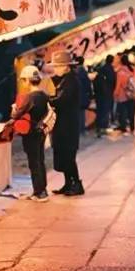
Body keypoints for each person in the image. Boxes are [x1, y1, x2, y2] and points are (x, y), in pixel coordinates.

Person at [12, 66, 50, 202]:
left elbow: (17, 114)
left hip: (30, 132)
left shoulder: (30, 97)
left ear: (27, 80)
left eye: (23, 80)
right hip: (41, 131)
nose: (22, 83)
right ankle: (43, 189)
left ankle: (39, 193)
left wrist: (14, 109)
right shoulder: (44, 95)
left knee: (34, 162)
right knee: (40, 160)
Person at [48, 51, 84, 196]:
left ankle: (76, 184)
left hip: (68, 125)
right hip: (63, 124)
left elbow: (62, 100)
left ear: (66, 66)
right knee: (63, 154)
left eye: (57, 66)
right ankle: (68, 183)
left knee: (68, 155)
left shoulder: (70, 81)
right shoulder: (65, 79)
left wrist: (47, 99)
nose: (55, 69)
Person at [114, 54, 135, 134]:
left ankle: (123, 127)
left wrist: (116, 93)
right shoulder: (134, 69)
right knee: (132, 111)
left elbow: (118, 85)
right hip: (133, 94)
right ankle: (133, 127)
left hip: (123, 95)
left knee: (123, 112)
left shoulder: (120, 72)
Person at [93, 55, 117, 135]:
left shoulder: (101, 69)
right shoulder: (111, 69)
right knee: (105, 110)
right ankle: (103, 127)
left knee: (100, 110)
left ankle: (98, 127)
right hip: (107, 93)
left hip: (99, 93)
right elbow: (113, 81)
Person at [75, 58, 92, 134]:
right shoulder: (83, 71)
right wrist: (90, 94)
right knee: (82, 113)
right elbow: (88, 84)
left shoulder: (74, 72)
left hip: (77, 95)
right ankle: (82, 129)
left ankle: (79, 129)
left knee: (78, 113)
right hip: (83, 95)